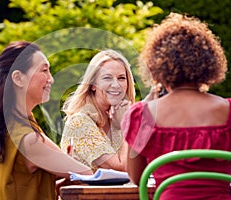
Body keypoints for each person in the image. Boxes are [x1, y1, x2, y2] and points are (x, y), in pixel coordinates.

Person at [122, 12, 231, 200]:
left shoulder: (143, 115)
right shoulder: (228, 110)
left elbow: (137, 177)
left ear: (157, 66)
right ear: (209, 63)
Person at [0, 41, 92, 200]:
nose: (51, 79)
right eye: (44, 70)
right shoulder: (27, 139)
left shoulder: (12, 124)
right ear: (18, 78)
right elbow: (87, 175)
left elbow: (25, 184)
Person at [60, 49, 136, 172]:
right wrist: (127, 125)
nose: (116, 85)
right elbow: (124, 167)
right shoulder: (80, 122)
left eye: (121, 78)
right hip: (88, 192)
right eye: (107, 78)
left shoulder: (116, 118)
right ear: (93, 85)